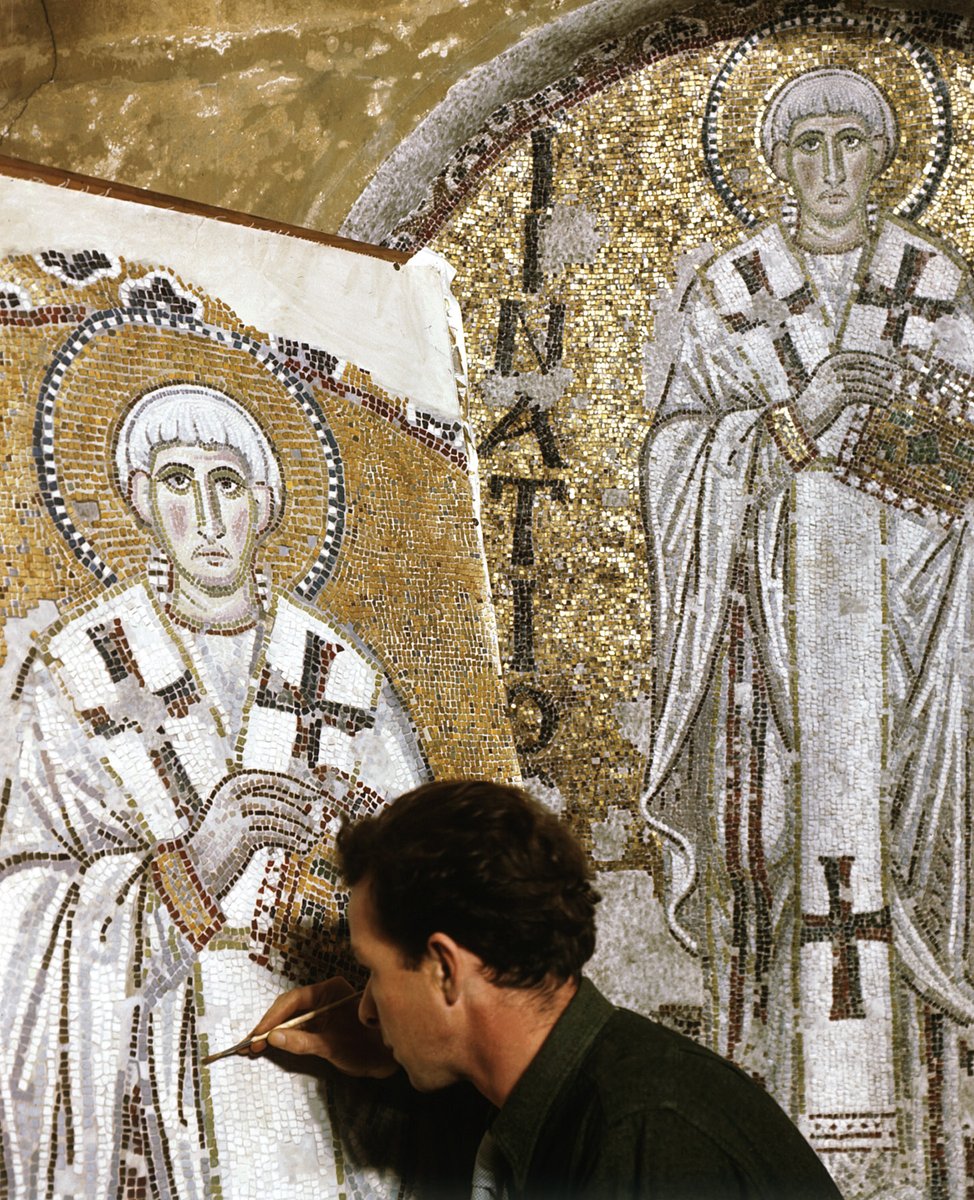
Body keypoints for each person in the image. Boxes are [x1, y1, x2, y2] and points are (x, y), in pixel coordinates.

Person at [640, 66, 974, 1192]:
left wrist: (894, 456)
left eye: (850, 143)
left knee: (898, 901)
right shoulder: (731, 290)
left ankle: (924, 1171)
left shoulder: (932, 285)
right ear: (773, 165)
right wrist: (797, 417)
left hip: (912, 675)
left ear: (884, 159)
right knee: (773, 887)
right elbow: (678, 460)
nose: (829, 169)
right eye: (806, 146)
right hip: (761, 684)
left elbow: (965, 485)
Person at [0, 382, 428, 1198]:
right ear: (137, 499)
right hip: (160, 1091)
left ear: (264, 503)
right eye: (175, 481)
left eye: (226, 483)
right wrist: (196, 862)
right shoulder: (77, 672)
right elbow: (23, 918)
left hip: (333, 1085)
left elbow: (434, 893)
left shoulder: (342, 676)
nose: (203, 514)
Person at [246, 779, 843, 1199]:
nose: (366, 1008)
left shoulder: (643, 1137)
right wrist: (409, 1047)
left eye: (373, 971)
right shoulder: (586, 1098)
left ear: (445, 970)